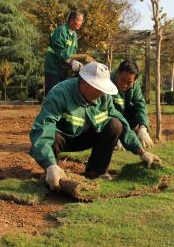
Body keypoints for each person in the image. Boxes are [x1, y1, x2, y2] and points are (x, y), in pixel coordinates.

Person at [30, 62, 162, 191]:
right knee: (52, 135)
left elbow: (121, 121)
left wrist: (141, 152)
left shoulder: (104, 97)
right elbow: (43, 127)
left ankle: (96, 172)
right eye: (99, 88)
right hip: (63, 138)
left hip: (87, 136)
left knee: (115, 124)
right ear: (85, 83)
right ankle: (53, 171)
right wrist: (50, 165)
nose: (102, 93)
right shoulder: (60, 93)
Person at [111, 60, 153, 148]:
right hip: (111, 115)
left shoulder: (135, 85)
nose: (125, 85)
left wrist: (143, 127)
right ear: (118, 73)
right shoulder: (108, 81)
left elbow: (140, 104)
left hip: (125, 113)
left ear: (135, 80)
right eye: (122, 80)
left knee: (135, 111)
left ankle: (133, 135)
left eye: (129, 82)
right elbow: (109, 110)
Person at [43, 10, 84, 96]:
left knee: (61, 97)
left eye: (81, 21)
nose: (80, 23)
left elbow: (73, 54)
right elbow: (59, 48)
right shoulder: (61, 30)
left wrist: (74, 64)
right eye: (78, 20)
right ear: (71, 20)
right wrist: (71, 61)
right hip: (53, 69)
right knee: (52, 95)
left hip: (63, 71)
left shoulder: (74, 36)